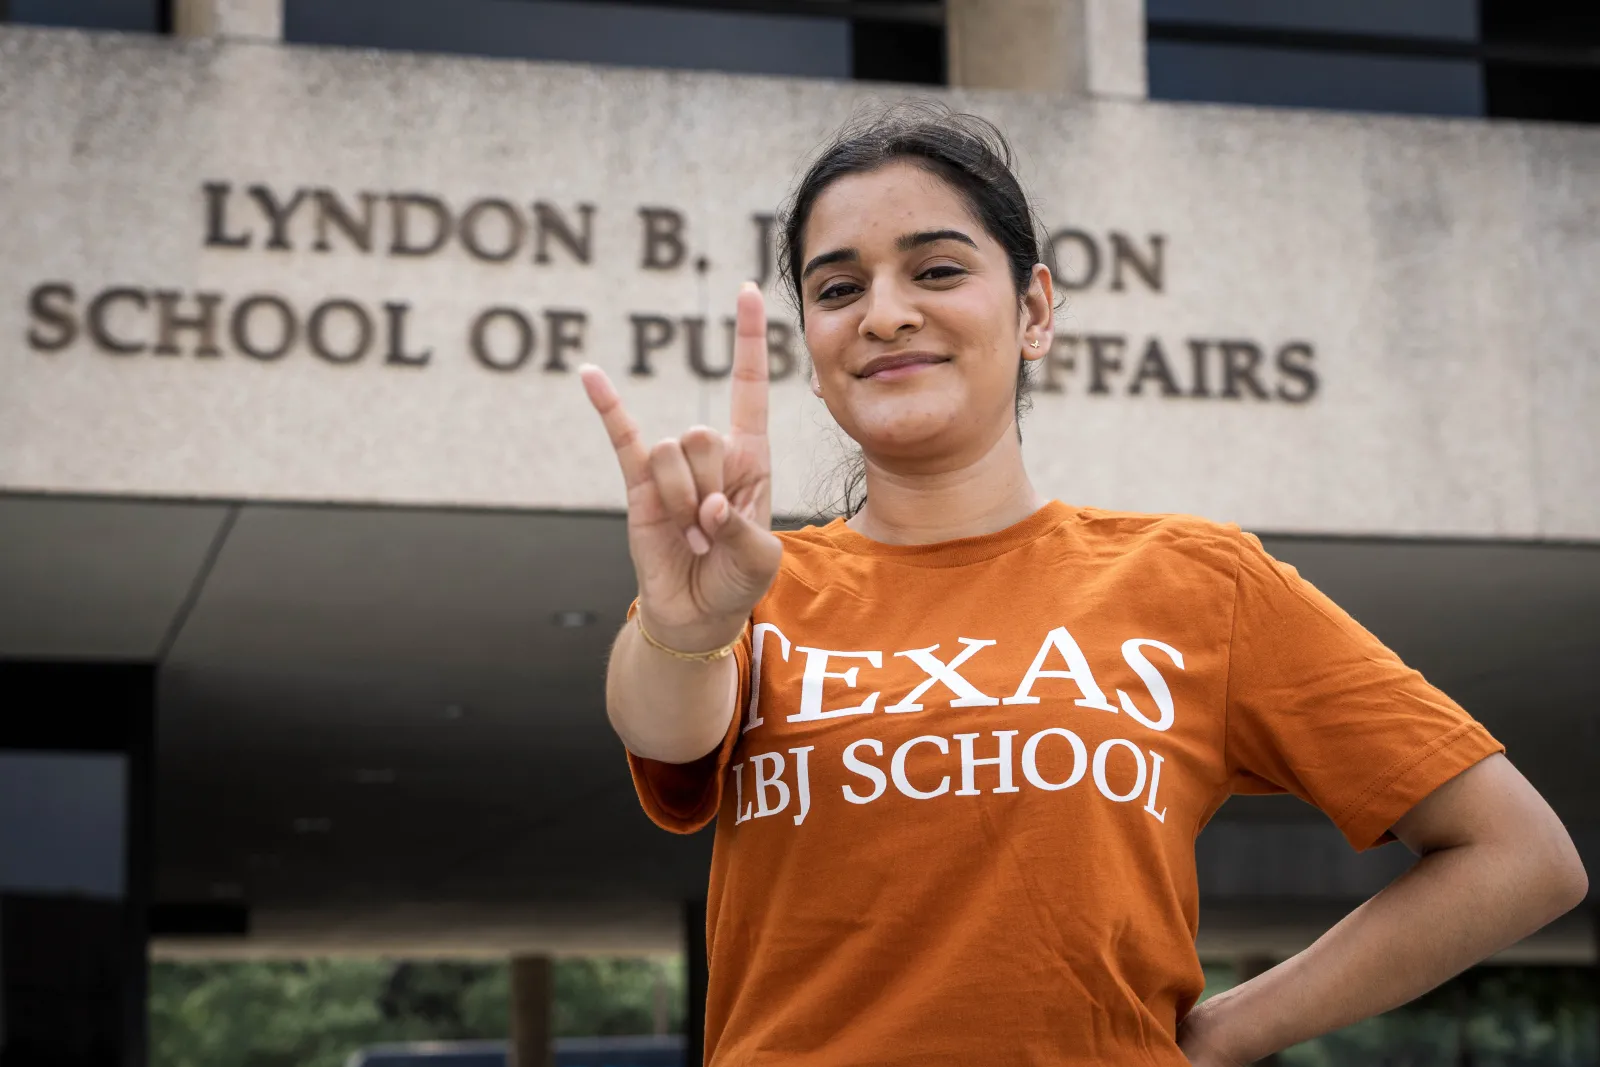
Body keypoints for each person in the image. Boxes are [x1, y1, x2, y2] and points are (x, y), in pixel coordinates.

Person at [578, 105, 1587, 1066]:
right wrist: (687, 615)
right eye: (838, 290)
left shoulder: (1197, 578)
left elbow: (1518, 854)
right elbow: (663, 725)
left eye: (935, 268)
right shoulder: (749, 583)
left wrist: (1229, 1029)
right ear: (811, 348)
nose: (884, 313)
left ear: (1033, 309)